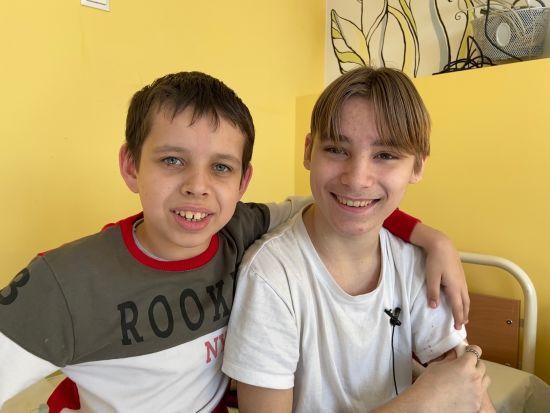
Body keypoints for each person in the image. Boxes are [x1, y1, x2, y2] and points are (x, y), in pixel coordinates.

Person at [0, 71, 468, 413]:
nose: (197, 187)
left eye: (221, 167)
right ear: (130, 166)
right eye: (172, 160)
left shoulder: (237, 228)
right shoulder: (66, 284)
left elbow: (344, 201)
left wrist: (429, 237)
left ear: (243, 182)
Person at [222, 66, 495, 412]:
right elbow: (442, 394)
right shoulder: (271, 277)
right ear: (308, 151)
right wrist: (424, 401)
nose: (356, 179)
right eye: (337, 149)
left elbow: (468, 389)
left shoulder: (415, 263)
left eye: (385, 155)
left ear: (417, 167)